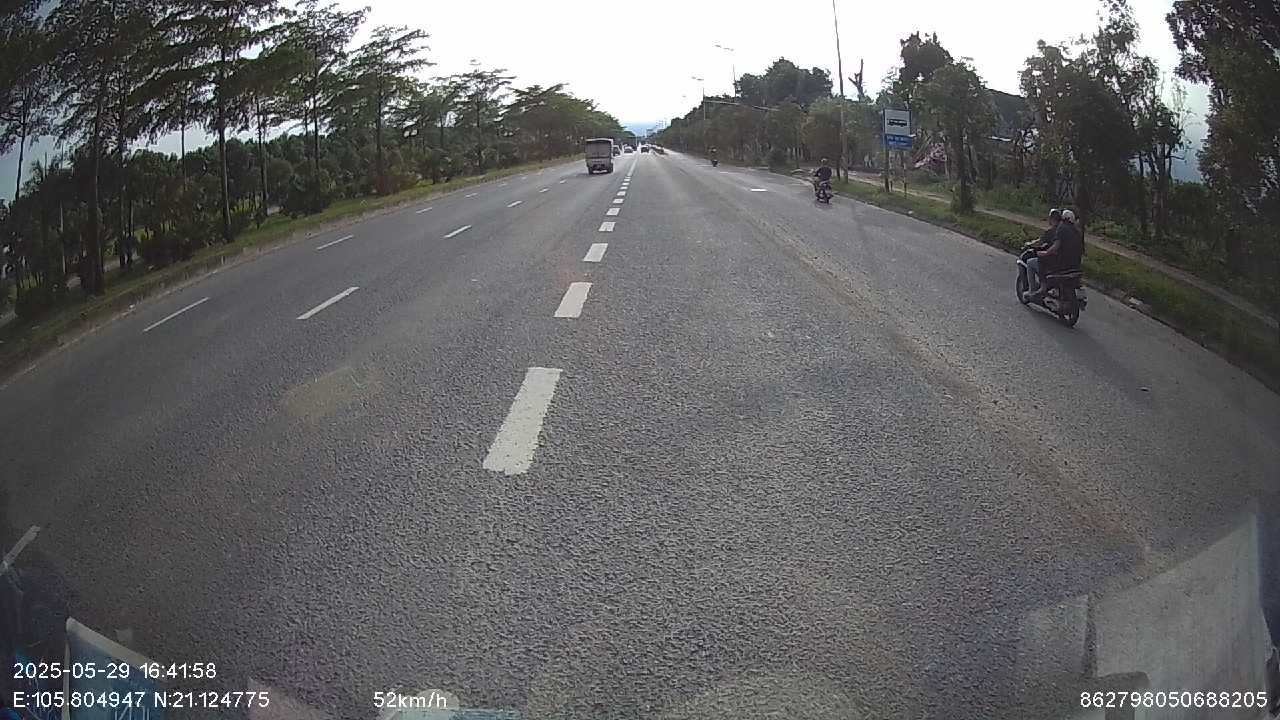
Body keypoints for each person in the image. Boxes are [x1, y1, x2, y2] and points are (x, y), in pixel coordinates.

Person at [1025, 208, 1083, 302]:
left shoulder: (1061, 228)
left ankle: (1041, 287)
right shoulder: (1077, 232)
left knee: (1040, 259)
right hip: (1075, 265)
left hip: (1062, 264)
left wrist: (1045, 253)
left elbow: (1055, 246)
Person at [1023, 208, 1062, 297]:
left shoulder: (1052, 231)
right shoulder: (1065, 231)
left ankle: (1032, 290)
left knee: (1030, 262)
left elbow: (1039, 242)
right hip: (1064, 262)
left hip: (1054, 261)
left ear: (1051, 219)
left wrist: (1028, 244)